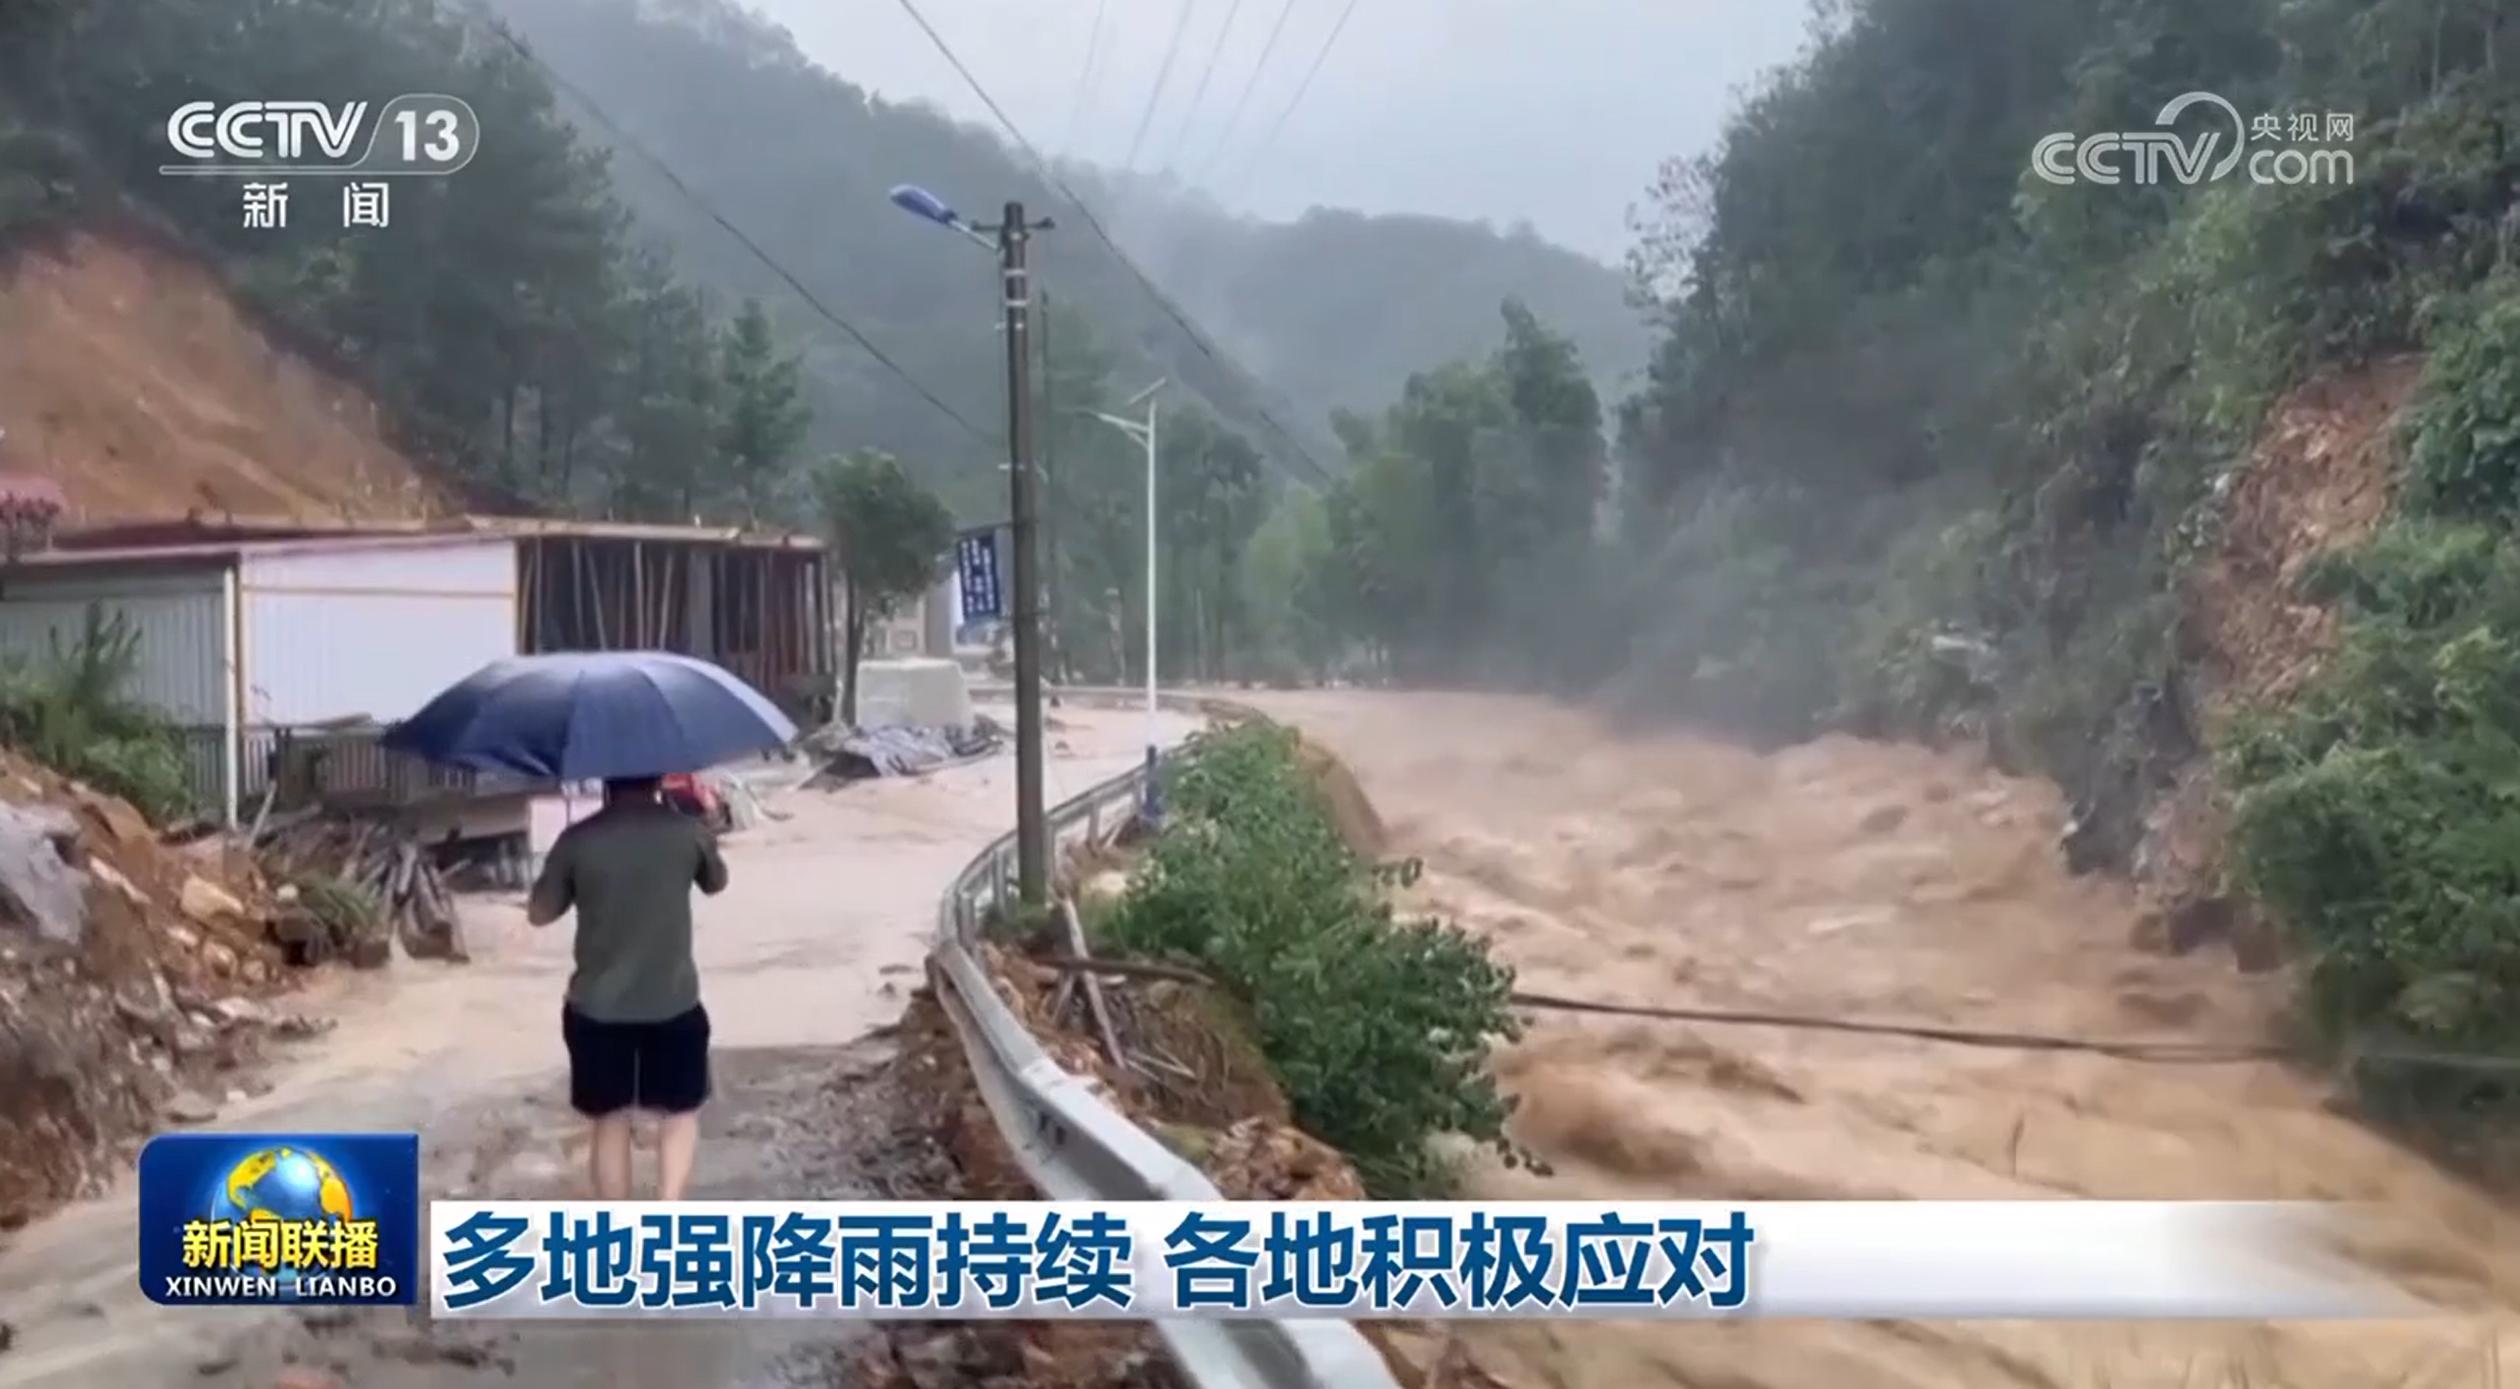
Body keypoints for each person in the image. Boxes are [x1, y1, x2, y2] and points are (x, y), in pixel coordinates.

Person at [526, 774, 730, 1201]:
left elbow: (540, 914)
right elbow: (716, 882)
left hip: (597, 1008)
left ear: (606, 781)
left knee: (610, 1119)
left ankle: (618, 1223)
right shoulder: (686, 832)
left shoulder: (578, 840)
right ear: (656, 777)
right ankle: (668, 1212)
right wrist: (709, 822)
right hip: (673, 1001)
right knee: (679, 1114)